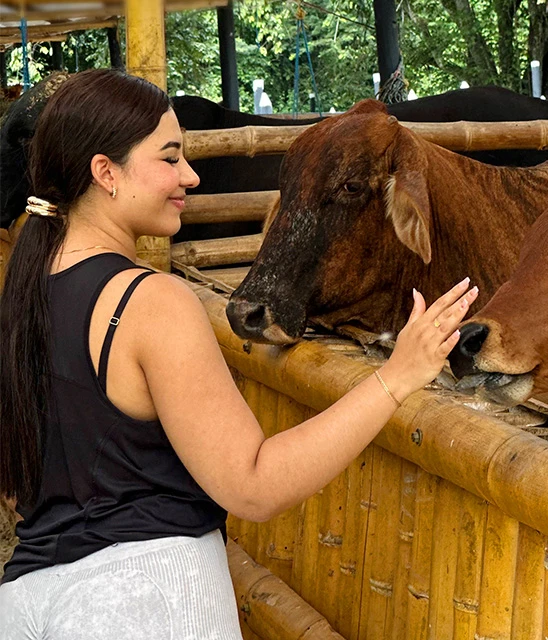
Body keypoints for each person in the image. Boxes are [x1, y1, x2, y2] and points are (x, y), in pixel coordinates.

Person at [0, 69, 478, 639]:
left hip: (28, 600)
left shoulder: (26, 290)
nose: (191, 177)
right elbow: (253, 483)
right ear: (105, 172)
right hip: (144, 599)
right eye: (170, 158)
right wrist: (397, 377)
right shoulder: (150, 302)